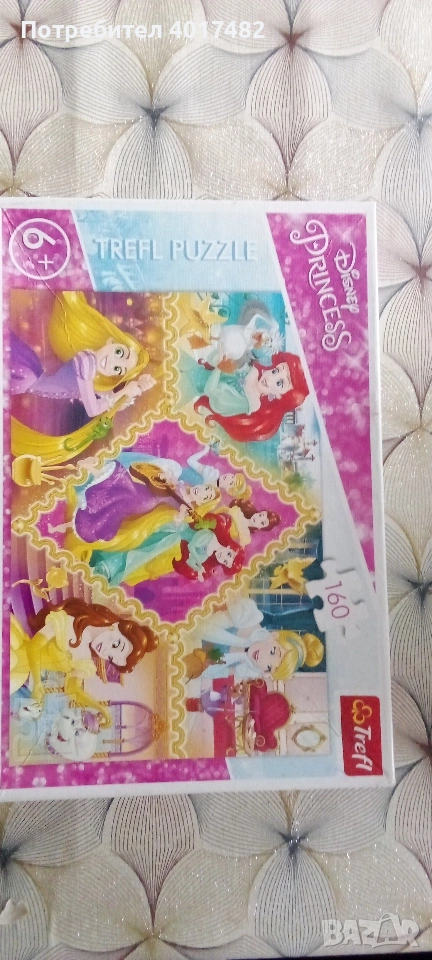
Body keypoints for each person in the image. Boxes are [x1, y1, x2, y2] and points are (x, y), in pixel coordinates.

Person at [11, 292, 156, 464]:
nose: (112, 362)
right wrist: (125, 391)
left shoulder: (93, 372)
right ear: (110, 342)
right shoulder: (86, 363)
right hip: (26, 379)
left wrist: (137, 387)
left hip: (32, 387)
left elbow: (110, 400)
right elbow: (93, 409)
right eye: (119, 352)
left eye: (118, 369)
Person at [48, 452, 220, 552]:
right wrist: (166, 475)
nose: (202, 492)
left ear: (202, 502)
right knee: (114, 492)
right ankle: (88, 468)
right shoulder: (183, 484)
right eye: (206, 489)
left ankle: (64, 526)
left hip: (144, 503)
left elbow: (175, 521)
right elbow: (166, 478)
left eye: (206, 496)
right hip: (143, 491)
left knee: (113, 500)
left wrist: (181, 516)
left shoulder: (185, 506)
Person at [10, 598, 158, 695]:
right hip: (16, 647)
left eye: (110, 657)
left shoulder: (84, 655)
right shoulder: (67, 622)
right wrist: (37, 682)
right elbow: (34, 646)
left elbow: (73, 689)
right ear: (117, 626)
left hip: (20, 673)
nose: (105, 652)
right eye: (115, 644)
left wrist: (102, 711)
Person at [179, 350, 309, 442]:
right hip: (192, 365)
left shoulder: (249, 403)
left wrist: (219, 368)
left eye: (280, 383)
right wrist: (219, 357)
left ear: (280, 396)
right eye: (275, 371)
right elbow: (215, 359)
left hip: (190, 386)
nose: (270, 377)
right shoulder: (251, 370)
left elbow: (211, 393)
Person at [89, 510, 246, 587]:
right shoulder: (211, 537)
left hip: (173, 543)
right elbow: (192, 545)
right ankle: (106, 560)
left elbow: (189, 560)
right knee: (142, 545)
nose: (223, 558)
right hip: (174, 530)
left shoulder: (208, 555)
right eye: (228, 555)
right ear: (229, 548)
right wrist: (199, 567)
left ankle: (109, 569)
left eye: (225, 562)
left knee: (144, 557)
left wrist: (198, 569)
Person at [199, 598, 323, 683]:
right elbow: (203, 627)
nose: (263, 660)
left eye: (269, 667)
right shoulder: (248, 618)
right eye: (273, 652)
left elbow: (208, 673)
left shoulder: (251, 668)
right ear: (274, 636)